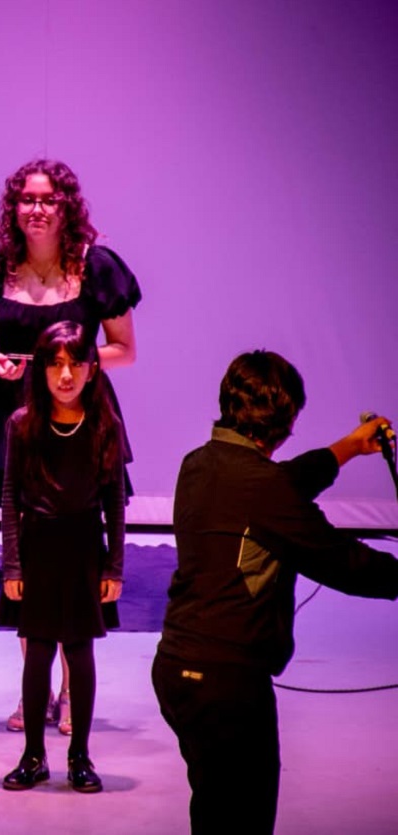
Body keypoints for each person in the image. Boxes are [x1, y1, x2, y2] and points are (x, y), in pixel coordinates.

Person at [152, 351, 398, 834]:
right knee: (241, 820)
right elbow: (343, 561)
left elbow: (283, 483)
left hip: (178, 669)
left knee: (215, 811)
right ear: (284, 425)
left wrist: (347, 448)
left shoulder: (198, 464)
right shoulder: (263, 487)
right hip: (227, 683)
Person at [0, 158, 140, 733]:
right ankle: (34, 692)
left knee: (79, 547)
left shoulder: (97, 266)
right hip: (22, 420)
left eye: (48, 199)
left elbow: (125, 350)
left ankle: (68, 688)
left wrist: (62, 365)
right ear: (14, 207)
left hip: (84, 417)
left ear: (67, 207)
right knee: (30, 554)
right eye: (27, 199)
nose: (37, 208)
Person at [0, 322, 124, 793]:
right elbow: (9, 497)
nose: (66, 375)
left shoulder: (105, 424)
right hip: (37, 548)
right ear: (42, 369)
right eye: (56, 364)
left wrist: (114, 567)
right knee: (37, 654)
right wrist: (12, 564)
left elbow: (113, 501)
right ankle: (33, 756)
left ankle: (81, 756)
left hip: (85, 548)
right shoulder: (22, 423)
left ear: (91, 369)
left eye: (76, 364)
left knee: (80, 651)